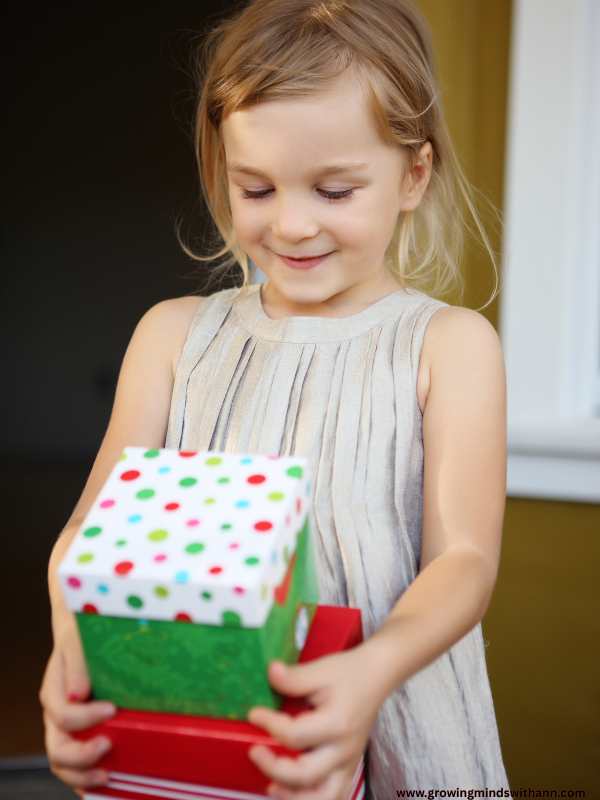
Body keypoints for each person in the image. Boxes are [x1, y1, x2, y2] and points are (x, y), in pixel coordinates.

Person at [39, 1, 510, 798]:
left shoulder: (449, 346)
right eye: (256, 189)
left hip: (395, 710)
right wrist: (70, 645)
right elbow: (90, 531)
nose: (292, 225)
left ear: (413, 175)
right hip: (208, 715)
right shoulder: (172, 336)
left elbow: (464, 559)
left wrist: (371, 672)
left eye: (333, 190)